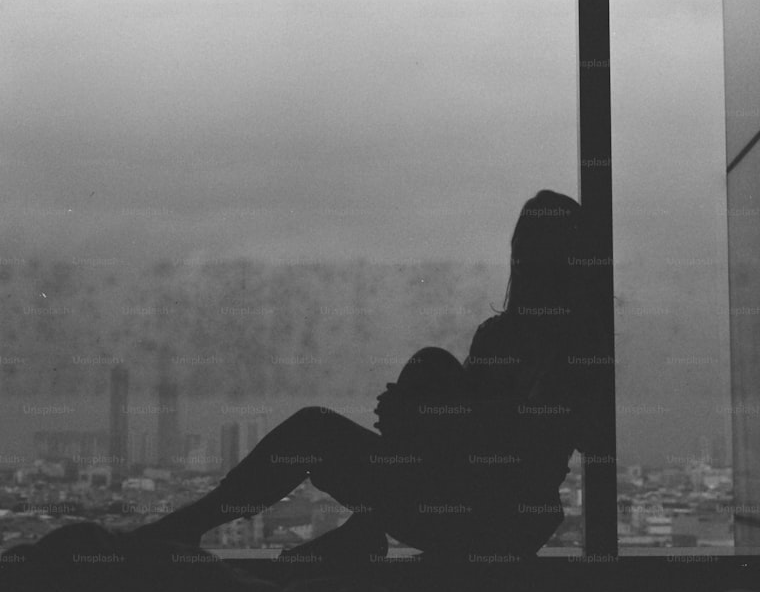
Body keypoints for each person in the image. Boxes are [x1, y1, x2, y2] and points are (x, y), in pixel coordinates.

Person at [131, 190, 603, 561]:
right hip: (472, 504)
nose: (525, 260)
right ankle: (360, 532)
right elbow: (481, 422)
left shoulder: (562, 347)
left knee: (355, 407)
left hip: (494, 512)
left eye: (532, 249)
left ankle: (196, 528)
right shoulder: (530, 339)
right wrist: (418, 412)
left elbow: (526, 434)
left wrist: (420, 415)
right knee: (427, 366)